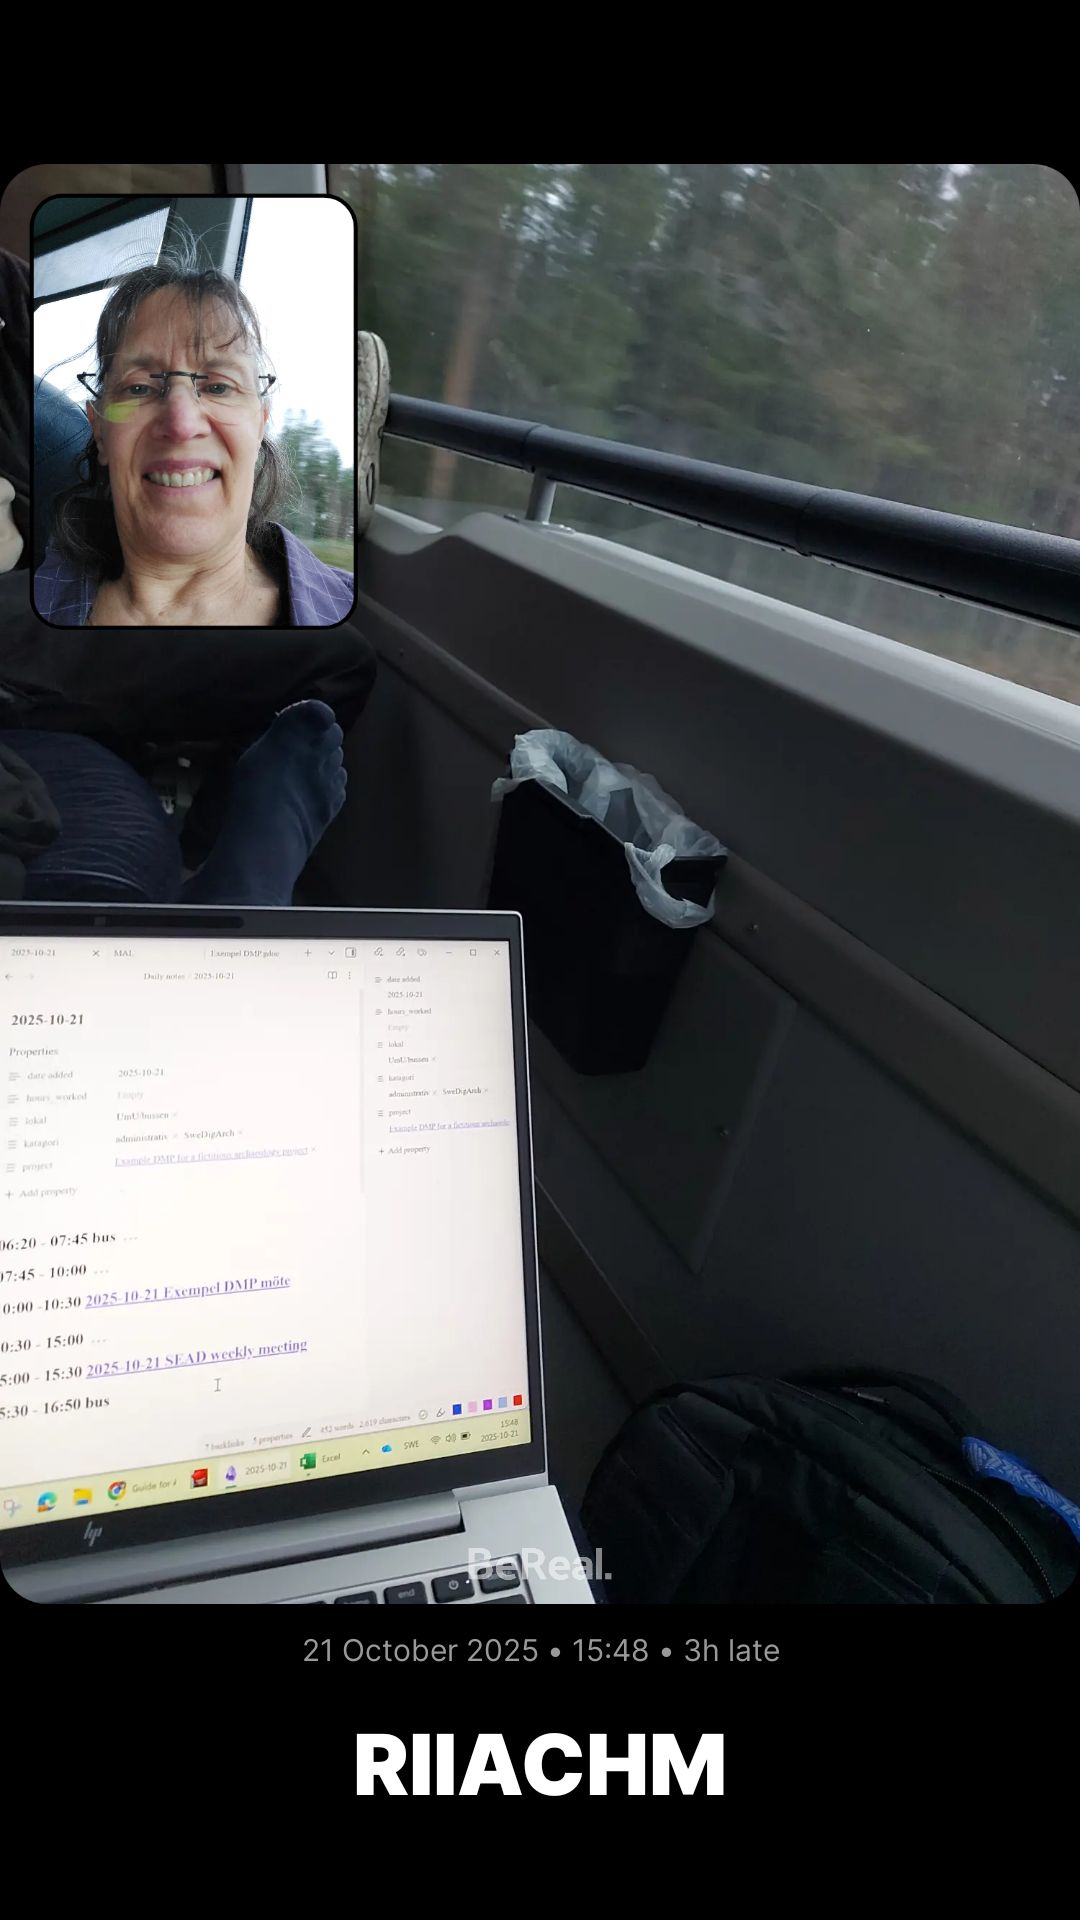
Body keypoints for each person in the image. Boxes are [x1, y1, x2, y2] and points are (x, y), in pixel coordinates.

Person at [34, 248, 389, 628]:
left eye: (219, 387)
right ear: (100, 429)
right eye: (138, 388)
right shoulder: (18, 614)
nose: (181, 423)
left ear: (261, 424)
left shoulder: (365, 620)